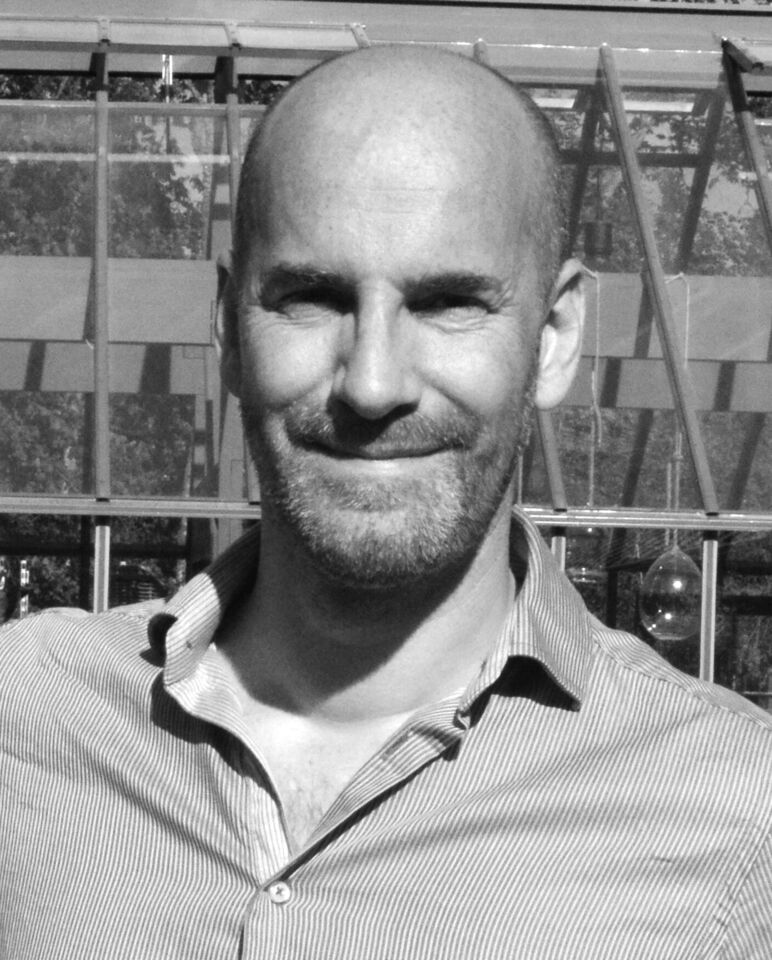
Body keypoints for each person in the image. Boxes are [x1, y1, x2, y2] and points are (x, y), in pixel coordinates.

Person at [1, 45, 770, 960]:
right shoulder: (25, 717)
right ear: (229, 329)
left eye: (447, 303)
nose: (372, 384)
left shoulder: (736, 818)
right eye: (313, 297)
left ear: (555, 337)